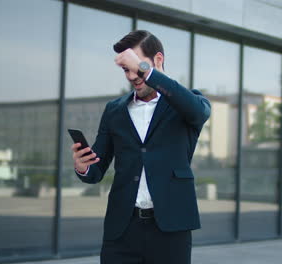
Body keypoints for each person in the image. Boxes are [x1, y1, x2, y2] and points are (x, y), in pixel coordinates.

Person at [70, 30, 211, 264]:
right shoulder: (114, 110)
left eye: (137, 66)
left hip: (171, 230)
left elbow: (198, 112)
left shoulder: (188, 104)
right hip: (122, 230)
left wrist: (146, 71)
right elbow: (95, 171)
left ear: (157, 60)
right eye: (126, 69)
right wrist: (83, 167)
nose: (132, 75)